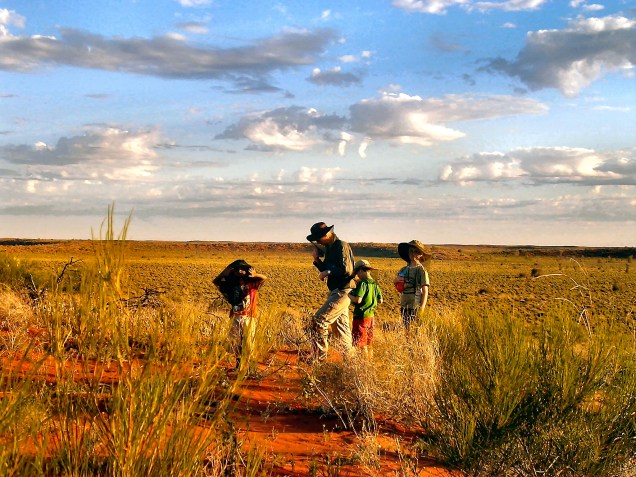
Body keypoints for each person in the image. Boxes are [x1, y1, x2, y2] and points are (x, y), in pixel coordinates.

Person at [306, 222, 355, 362]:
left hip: (343, 291)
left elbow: (347, 270)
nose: (317, 241)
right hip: (337, 291)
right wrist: (317, 260)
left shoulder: (341, 245)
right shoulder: (330, 248)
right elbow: (326, 271)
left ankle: (319, 358)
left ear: (327, 234)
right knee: (341, 330)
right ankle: (351, 363)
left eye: (318, 238)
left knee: (319, 320)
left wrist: (327, 271)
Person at [213, 259, 267, 372]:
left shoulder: (253, 283)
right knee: (236, 343)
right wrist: (228, 270)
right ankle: (238, 366)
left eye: (243, 269)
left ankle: (249, 368)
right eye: (238, 269)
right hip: (236, 315)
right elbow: (217, 281)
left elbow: (264, 278)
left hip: (249, 316)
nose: (240, 271)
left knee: (248, 343)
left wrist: (255, 274)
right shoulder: (231, 285)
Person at [349, 259, 383, 358]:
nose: (357, 276)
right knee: (369, 343)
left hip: (361, 317)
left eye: (357, 273)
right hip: (371, 317)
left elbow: (358, 300)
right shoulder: (375, 284)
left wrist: (349, 295)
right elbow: (381, 300)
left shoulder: (362, 284)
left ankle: (364, 365)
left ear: (360, 271)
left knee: (361, 343)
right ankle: (370, 362)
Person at [394, 240, 430, 331]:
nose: (413, 253)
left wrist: (422, 308)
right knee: (406, 329)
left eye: (416, 251)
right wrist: (395, 281)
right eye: (411, 250)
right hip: (404, 304)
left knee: (414, 330)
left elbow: (425, 291)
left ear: (421, 255)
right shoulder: (403, 269)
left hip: (415, 306)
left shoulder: (421, 270)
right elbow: (398, 286)